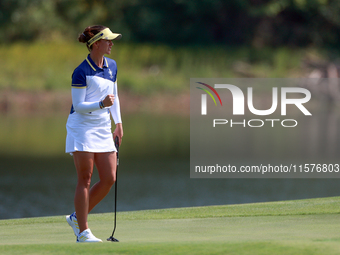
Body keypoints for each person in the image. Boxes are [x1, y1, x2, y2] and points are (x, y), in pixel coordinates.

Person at [65, 25, 123, 243]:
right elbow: (78, 105)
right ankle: (83, 232)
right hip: (82, 127)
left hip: (102, 127)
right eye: (108, 40)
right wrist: (101, 104)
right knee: (85, 178)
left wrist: (118, 123)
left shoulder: (112, 66)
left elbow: (114, 96)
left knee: (109, 178)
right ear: (96, 43)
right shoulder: (81, 71)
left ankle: (75, 217)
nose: (111, 44)